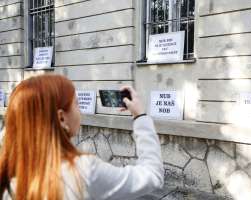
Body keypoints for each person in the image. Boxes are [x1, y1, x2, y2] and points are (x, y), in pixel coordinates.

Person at [0, 74, 164, 200]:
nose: (80, 111)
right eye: (76, 104)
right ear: (61, 118)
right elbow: (152, 175)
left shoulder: (8, 170)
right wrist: (140, 116)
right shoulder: (84, 170)